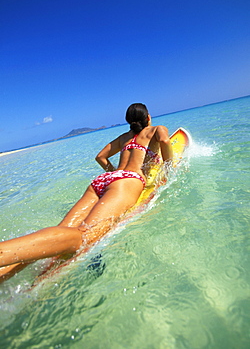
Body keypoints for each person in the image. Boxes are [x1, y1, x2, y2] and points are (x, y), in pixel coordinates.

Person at [0, 103, 173, 281]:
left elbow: (100, 157)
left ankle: (4, 274)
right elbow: (165, 141)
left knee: (64, 229)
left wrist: (114, 172)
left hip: (103, 181)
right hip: (126, 182)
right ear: (148, 117)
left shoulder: (123, 138)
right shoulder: (156, 129)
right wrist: (169, 168)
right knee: (84, 237)